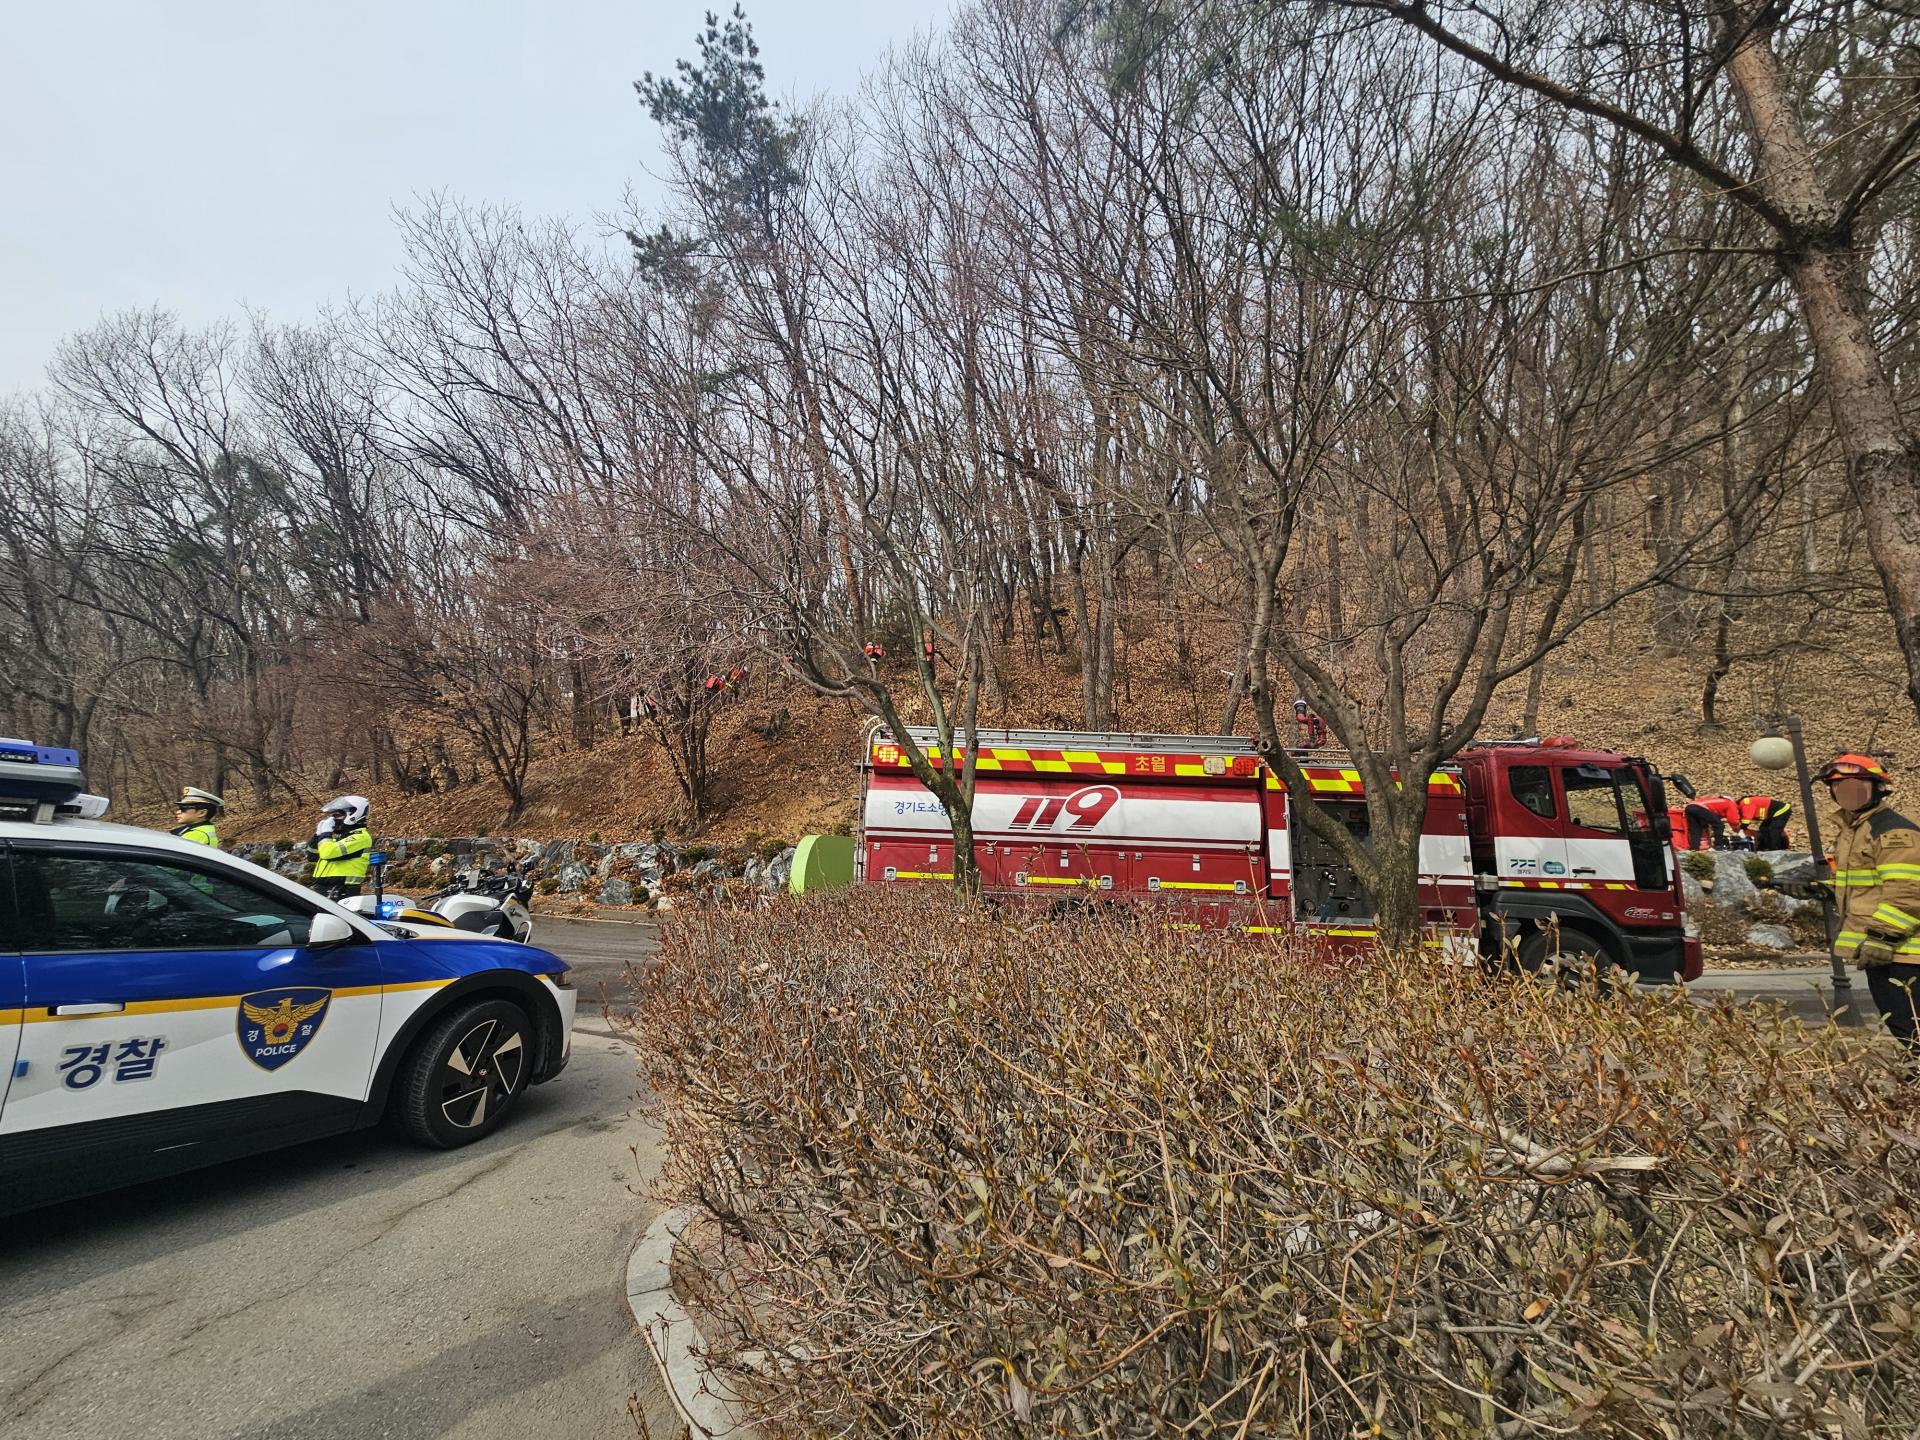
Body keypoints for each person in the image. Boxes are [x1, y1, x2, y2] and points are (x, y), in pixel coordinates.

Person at [1817, 753, 1920, 1054]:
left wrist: (1883, 937)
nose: (1845, 794)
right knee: (1906, 1033)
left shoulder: (1894, 832)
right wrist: (1822, 890)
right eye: (1838, 787)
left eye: (1855, 786)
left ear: (1878, 789)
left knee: (1912, 1034)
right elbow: (1867, 884)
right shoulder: (1857, 829)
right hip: (1885, 952)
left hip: (1903, 953)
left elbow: (1908, 890)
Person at [307, 795, 374, 900]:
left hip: (342, 891)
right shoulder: (338, 837)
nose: (333, 820)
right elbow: (312, 856)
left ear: (352, 815)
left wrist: (326, 833)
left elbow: (327, 853)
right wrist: (317, 835)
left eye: (337, 816)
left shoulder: (360, 837)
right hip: (323, 888)